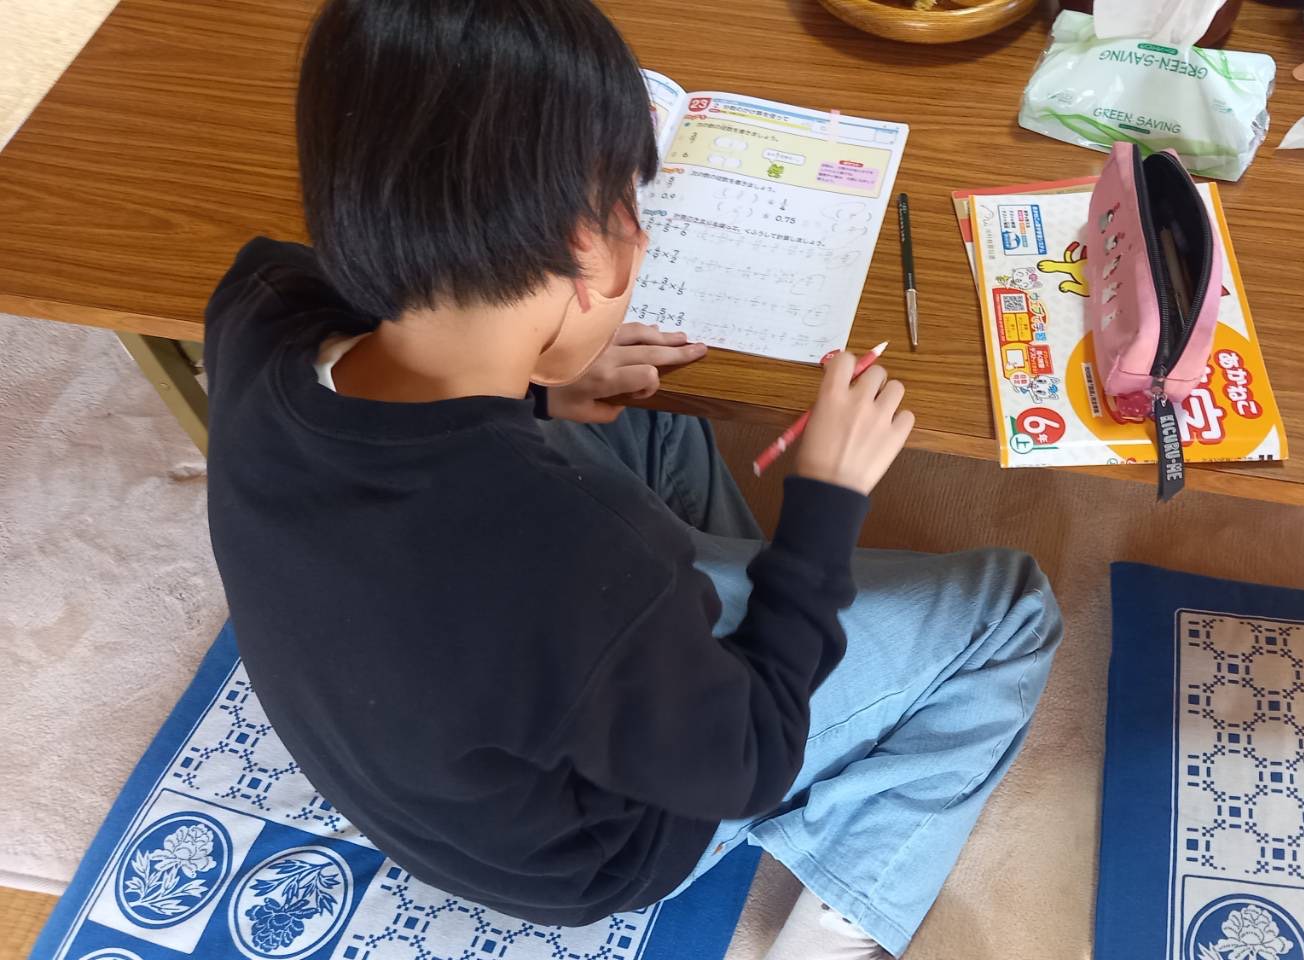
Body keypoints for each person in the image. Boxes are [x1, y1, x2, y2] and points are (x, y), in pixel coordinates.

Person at [202, 0, 1062, 956]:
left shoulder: (263, 301)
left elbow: (516, 521)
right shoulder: (581, 545)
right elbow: (749, 759)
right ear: (596, 245)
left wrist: (542, 386)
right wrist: (826, 503)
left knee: (652, 421)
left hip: (426, 765)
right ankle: (843, 919)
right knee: (1012, 609)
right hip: (594, 853)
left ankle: (721, 643)